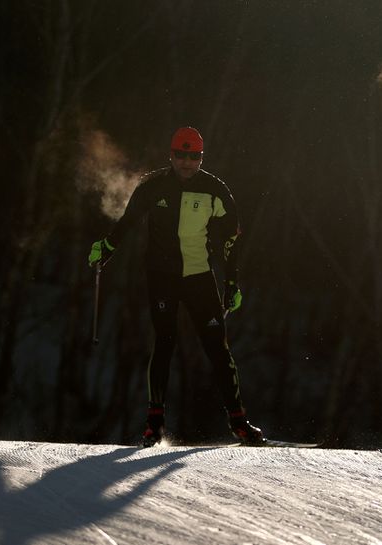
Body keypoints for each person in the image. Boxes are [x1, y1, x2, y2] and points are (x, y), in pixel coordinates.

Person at [88, 126, 265, 447]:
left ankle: (239, 423)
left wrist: (232, 282)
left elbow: (231, 238)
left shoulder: (215, 190)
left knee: (217, 349)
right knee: (165, 343)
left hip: (199, 276)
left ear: (201, 157)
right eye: (181, 155)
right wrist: (107, 248)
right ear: (170, 155)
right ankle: (154, 424)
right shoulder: (153, 187)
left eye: (193, 156)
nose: (186, 162)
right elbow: (128, 222)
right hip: (162, 277)